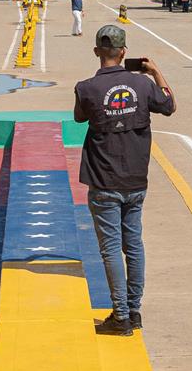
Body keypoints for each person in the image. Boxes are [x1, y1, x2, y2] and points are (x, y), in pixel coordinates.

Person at [73, 24, 175, 337]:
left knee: (111, 250)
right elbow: (169, 105)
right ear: (124, 52)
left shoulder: (86, 88)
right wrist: (156, 72)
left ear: (96, 52)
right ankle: (134, 309)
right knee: (134, 245)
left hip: (104, 181)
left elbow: (79, 117)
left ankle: (120, 316)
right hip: (136, 180)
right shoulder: (142, 85)